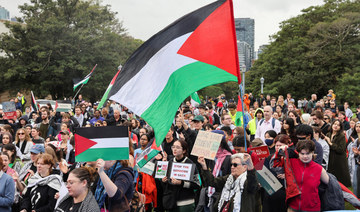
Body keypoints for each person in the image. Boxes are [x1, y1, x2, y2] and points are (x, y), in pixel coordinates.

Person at [273, 140, 329, 212]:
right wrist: (280, 150)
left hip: (312, 208)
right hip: (293, 207)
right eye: (302, 154)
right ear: (298, 153)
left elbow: (330, 184)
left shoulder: (319, 168)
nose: (305, 156)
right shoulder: (291, 163)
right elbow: (274, 164)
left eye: (308, 153)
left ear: (312, 153)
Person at [161, 139, 200, 211]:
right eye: (173, 147)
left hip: (186, 203)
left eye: (178, 147)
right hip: (172, 202)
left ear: (184, 151)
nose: (174, 149)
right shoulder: (170, 162)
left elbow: (197, 184)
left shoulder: (190, 164)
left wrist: (181, 183)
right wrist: (164, 181)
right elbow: (166, 185)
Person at [324, 119, 352, 187]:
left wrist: (330, 143)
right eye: (334, 124)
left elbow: (341, 149)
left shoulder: (341, 136)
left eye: (338, 125)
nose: (336, 126)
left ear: (340, 127)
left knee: (340, 178)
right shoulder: (328, 134)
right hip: (330, 158)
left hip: (339, 159)